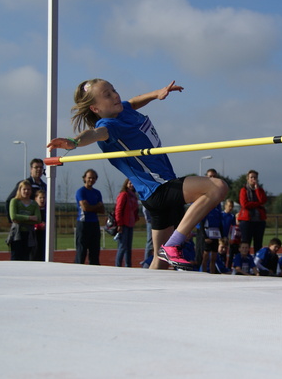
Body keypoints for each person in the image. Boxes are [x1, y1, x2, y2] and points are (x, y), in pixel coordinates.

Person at [47, 79, 228, 271]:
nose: (115, 95)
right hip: (159, 188)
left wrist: (156, 93)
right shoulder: (109, 125)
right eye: (107, 95)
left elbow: (134, 102)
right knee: (217, 187)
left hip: (155, 192)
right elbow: (94, 133)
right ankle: (174, 243)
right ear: (95, 108)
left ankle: (146, 295)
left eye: (114, 90)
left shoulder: (124, 109)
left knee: (160, 261)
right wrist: (74, 142)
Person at [6, 180, 41, 261]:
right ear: (20, 190)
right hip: (17, 234)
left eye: (28, 189)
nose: (26, 191)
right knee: (16, 257)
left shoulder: (34, 204)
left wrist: (21, 219)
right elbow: (14, 217)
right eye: (24, 189)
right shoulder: (14, 201)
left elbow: (38, 219)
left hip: (29, 234)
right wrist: (29, 218)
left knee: (26, 257)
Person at [75, 169, 104, 265]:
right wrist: (96, 207)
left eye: (93, 178)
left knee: (95, 251)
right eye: (89, 178)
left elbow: (102, 209)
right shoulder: (81, 191)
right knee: (81, 251)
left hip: (94, 223)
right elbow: (85, 208)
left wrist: (92, 207)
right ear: (84, 178)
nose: (91, 180)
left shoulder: (97, 193)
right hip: (83, 223)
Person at [198, 169, 223, 272]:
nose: (212, 178)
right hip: (206, 231)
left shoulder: (218, 198)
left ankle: (212, 274)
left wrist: (222, 234)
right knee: (205, 257)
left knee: (214, 257)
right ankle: (203, 273)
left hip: (215, 232)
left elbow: (220, 218)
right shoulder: (203, 195)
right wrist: (204, 236)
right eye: (210, 176)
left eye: (214, 176)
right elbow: (201, 218)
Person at [237, 170, 267, 254]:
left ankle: (257, 263)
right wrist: (258, 204)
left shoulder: (260, 190)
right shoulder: (244, 190)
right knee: (246, 243)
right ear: (247, 179)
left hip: (259, 221)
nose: (253, 179)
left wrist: (257, 189)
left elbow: (263, 200)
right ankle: (245, 262)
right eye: (251, 177)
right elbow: (245, 204)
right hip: (247, 220)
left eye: (255, 177)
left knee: (258, 243)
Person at [114, 179, 139, 267]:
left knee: (128, 248)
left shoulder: (133, 196)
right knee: (122, 247)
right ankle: (118, 265)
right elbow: (118, 209)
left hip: (130, 224)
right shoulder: (123, 195)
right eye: (130, 183)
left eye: (133, 183)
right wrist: (119, 223)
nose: (131, 185)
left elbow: (135, 210)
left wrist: (135, 218)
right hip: (123, 224)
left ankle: (128, 265)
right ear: (126, 184)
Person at [221, 199, 240, 268]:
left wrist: (232, 238)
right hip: (219, 237)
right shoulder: (221, 214)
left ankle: (225, 267)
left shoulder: (232, 216)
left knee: (225, 252)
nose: (230, 208)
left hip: (226, 237)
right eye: (229, 206)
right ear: (225, 206)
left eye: (232, 206)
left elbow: (233, 228)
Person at [33, 190, 47, 261]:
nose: (42, 200)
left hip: (44, 236)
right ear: (36, 198)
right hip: (34, 237)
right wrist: (38, 226)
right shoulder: (33, 210)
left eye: (44, 198)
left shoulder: (47, 211)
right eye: (40, 197)